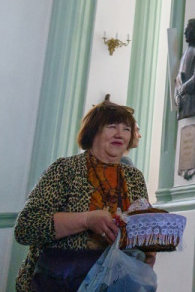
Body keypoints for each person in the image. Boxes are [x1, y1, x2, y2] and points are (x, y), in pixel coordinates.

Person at [14, 100, 154, 292]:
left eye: (126, 129)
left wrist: (149, 247)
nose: (120, 134)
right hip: (61, 280)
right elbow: (26, 227)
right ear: (93, 130)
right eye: (112, 126)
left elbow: (142, 225)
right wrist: (87, 220)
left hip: (116, 282)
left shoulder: (134, 177)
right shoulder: (65, 169)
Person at [174, 18, 195, 120]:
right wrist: (177, 91)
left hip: (190, 103)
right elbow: (179, 76)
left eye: (188, 29)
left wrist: (183, 88)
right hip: (182, 102)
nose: (185, 32)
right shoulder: (184, 53)